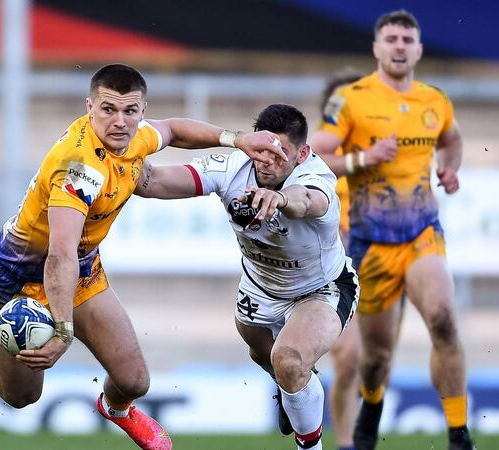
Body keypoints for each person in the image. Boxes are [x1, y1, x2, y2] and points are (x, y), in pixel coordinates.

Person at [0, 63, 286, 450]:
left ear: (141, 110)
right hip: (15, 280)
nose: (120, 121)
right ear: (90, 107)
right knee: (21, 395)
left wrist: (237, 139)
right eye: (108, 109)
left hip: (80, 268)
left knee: (134, 381)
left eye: (130, 111)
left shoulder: (134, 136)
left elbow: (173, 130)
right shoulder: (79, 167)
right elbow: (59, 254)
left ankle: (116, 410)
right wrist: (62, 332)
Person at [135, 103, 359, 450]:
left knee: (288, 360)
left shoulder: (316, 177)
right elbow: (154, 182)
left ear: (302, 154)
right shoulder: (233, 166)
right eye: (263, 149)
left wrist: (279, 198)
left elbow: (306, 201)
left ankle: (309, 442)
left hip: (320, 288)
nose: (267, 160)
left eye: (279, 153)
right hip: (259, 287)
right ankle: (289, 387)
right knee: (265, 357)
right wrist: (114, 159)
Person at [309, 10, 474, 450]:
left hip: (422, 234)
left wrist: (450, 169)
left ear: (419, 50)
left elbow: (453, 139)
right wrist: (364, 158)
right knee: (375, 355)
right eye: (391, 39)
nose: (399, 46)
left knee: (443, 318)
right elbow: (315, 156)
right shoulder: (350, 99)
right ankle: (372, 403)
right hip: (370, 245)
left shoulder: (435, 100)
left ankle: (459, 433)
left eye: (407, 39)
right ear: (376, 48)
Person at [319, 68, 365, 450]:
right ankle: (347, 444)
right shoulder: (313, 159)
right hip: (338, 263)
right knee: (348, 356)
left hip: (380, 258)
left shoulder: (382, 152)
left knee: (375, 361)